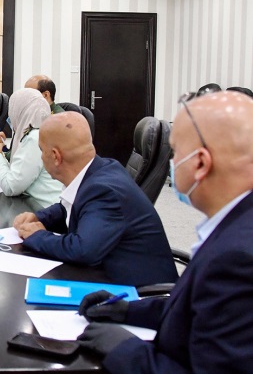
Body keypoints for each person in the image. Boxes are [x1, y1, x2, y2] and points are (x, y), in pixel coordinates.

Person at [76, 91, 253, 373]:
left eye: (175, 152)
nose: (171, 164)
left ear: (200, 163)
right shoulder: (233, 224)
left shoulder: (236, 257)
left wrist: (124, 348)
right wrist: (126, 310)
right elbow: (196, 313)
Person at [12, 112, 178, 286]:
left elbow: (83, 250)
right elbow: (70, 207)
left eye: (41, 150)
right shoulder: (102, 168)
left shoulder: (103, 191)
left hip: (140, 297)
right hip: (110, 276)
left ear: (55, 156)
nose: (40, 157)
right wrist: (40, 217)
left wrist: (38, 236)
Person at [0, 89, 63, 208]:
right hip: (35, 207)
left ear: (20, 111)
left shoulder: (35, 138)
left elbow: (11, 187)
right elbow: (16, 174)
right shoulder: (43, 132)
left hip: (43, 213)